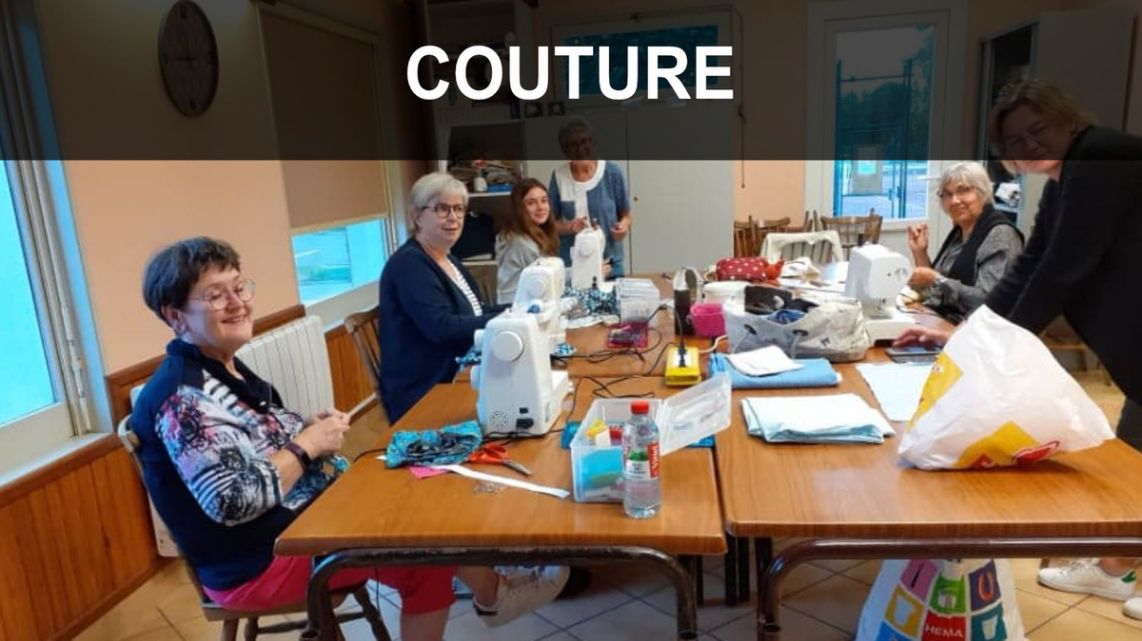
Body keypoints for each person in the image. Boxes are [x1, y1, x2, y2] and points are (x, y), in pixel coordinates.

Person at [131, 237, 566, 640]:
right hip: (258, 564)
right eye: (215, 295)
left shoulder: (221, 366)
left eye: (239, 287)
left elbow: (253, 440)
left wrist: (304, 427)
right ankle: (494, 592)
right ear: (175, 316)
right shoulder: (183, 399)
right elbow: (233, 501)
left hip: (299, 525)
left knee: (424, 493)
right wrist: (306, 445)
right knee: (423, 551)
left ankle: (492, 588)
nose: (237, 302)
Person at [896, 79, 1142, 620]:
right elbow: (1031, 267)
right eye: (1014, 140)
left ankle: (1115, 565)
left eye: (1038, 129)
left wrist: (994, 346)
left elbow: (1062, 269)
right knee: (1135, 456)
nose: (1028, 145)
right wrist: (972, 334)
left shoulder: (1100, 156)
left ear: (1067, 119)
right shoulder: (1063, 182)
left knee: (1134, 461)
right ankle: (1114, 567)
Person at [379, 172, 509, 423]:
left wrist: (518, 310)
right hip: (427, 389)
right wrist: (505, 318)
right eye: (442, 209)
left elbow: (478, 310)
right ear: (417, 216)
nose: (453, 217)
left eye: (459, 209)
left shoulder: (446, 258)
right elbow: (441, 327)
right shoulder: (409, 265)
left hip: (458, 370)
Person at [906, 161, 1024, 321]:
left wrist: (936, 279)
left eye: (963, 191)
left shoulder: (1001, 235)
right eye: (947, 194)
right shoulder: (960, 232)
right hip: (947, 320)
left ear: (983, 192)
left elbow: (987, 301)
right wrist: (920, 252)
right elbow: (934, 290)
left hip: (978, 328)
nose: (954, 200)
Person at [549, 117, 633, 277]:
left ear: (593, 142)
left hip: (610, 263)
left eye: (584, 141)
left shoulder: (612, 172)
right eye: (573, 144)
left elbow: (626, 214)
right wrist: (568, 227)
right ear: (565, 150)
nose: (580, 148)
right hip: (574, 266)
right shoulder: (559, 176)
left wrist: (623, 227)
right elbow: (549, 223)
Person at [496, 178, 560, 305]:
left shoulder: (534, 235)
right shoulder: (521, 243)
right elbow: (548, 279)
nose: (540, 207)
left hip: (529, 302)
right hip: (518, 307)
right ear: (519, 208)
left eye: (544, 201)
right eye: (531, 203)